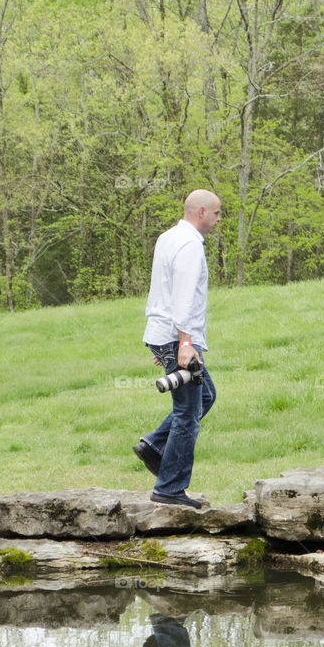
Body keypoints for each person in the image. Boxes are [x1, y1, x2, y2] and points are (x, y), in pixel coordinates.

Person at [134, 190, 221, 508]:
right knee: (187, 414)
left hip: (164, 333)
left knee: (206, 397)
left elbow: (161, 289)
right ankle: (170, 488)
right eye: (217, 213)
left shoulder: (168, 237)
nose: (218, 220)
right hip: (178, 337)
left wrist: (161, 343)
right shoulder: (189, 246)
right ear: (201, 212)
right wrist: (183, 344)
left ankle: (155, 446)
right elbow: (183, 296)